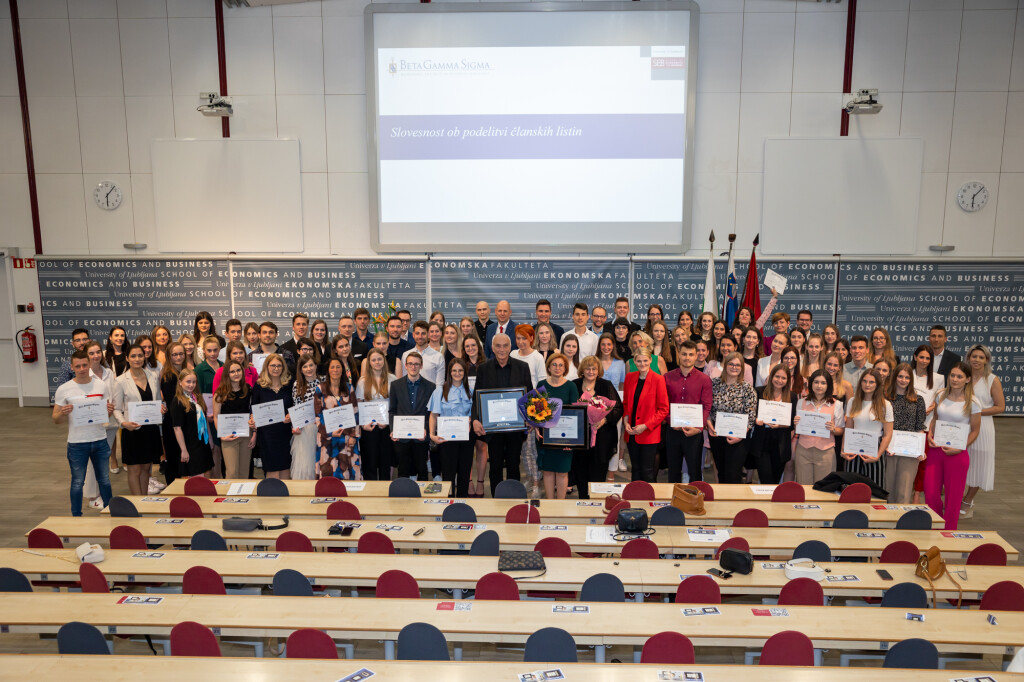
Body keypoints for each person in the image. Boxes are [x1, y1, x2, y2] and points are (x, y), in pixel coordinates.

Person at [53, 349, 114, 516]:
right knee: (77, 482)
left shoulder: (101, 385)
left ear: (89, 365)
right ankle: (76, 516)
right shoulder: (64, 389)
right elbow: (56, 419)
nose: (82, 369)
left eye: (84, 365)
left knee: (104, 480)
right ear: (72, 367)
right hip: (77, 443)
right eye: (78, 366)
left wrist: (109, 411)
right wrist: (62, 413)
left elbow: (105, 414)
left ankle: (110, 512)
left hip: (100, 439)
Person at [472, 333, 534, 496]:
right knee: (495, 467)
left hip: (515, 427)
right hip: (493, 429)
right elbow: (476, 397)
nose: (501, 349)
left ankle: (514, 498)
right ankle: (496, 499)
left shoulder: (522, 367)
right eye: (498, 346)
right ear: (492, 348)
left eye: (505, 345)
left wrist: (530, 419)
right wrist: (475, 419)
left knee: (514, 465)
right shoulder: (483, 369)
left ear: (510, 347)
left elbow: (529, 396)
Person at [925, 361, 982, 530]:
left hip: (957, 453)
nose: (955, 379)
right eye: (952, 375)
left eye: (959, 376)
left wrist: (960, 447)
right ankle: (936, 525)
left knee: (953, 497)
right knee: (930, 492)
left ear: (967, 379)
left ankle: (949, 531)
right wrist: (930, 434)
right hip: (936, 450)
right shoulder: (940, 395)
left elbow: (975, 431)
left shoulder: (973, 402)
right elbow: (936, 419)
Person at [113, 344, 164, 495]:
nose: (137, 359)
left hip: (150, 429)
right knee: (134, 469)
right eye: (133, 356)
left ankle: (144, 500)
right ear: (127, 358)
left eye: (140, 355)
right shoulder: (121, 381)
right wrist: (124, 423)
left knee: (146, 468)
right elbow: (116, 408)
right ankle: (137, 502)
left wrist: (161, 409)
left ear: (144, 357)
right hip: (132, 430)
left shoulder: (153, 376)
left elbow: (158, 401)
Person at [960, 344, 1004, 519]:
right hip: (962, 425)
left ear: (986, 360)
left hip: (983, 427)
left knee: (979, 465)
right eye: (974, 356)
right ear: (968, 358)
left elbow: (1000, 407)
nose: (977, 360)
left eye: (981, 357)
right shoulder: (963, 376)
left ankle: (968, 500)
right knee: (961, 464)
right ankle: (956, 497)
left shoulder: (992, 380)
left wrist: (977, 411)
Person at [573, 355, 623, 496]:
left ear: (598, 370)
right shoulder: (574, 384)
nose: (591, 371)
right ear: (582, 370)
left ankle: (596, 500)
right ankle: (583, 498)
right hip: (580, 438)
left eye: (594, 369)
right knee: (580, 471)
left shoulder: (606, 385)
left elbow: (618, 408)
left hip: (602, 439)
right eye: (587, 368)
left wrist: (604, 420)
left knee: (598, 472)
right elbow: (568, 408)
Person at [663, 340, 712, 484]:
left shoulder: (704, 379)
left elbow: (706, 405)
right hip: (673, 430)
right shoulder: (667, 377)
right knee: (673, 470)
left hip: (694, 432)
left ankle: (695, 497)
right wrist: (671, 421)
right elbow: (663, 404)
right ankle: (673, 497)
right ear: (678, 354)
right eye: (684, 354)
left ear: (696, 356)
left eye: (691, 354)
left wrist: (699, 428)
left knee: (695, 471)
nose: (687, 358)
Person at [707, 352, 757, 484]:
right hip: (717, 434)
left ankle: (734, 497)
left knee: (733, 474)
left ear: (742, 368)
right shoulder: (714, 384)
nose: (734, 367)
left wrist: (740, 435)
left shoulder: (747, 388)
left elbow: (751, 415)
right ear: (725, 365)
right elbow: (706, 407)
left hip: (739, 436)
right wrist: (709, 425)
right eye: (731, 364)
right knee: (721, 472)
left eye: (737, 365)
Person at [536, 353, 580, 498]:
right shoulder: (541, 385)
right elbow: (536, 411)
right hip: (546, 435)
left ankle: (560, 504)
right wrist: (536, 427)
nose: (557, 367)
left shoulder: (571, 386)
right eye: (554, 364)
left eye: (561, 365)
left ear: (565, 368)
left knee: (562, 472)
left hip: (565, 437)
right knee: (548, 471)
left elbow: (575, 414)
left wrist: (572, 441)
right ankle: (550, 503)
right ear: (548, 367)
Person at [428, 358, 474, 497]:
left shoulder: (470, 391)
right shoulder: (440, 391)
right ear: (449, 372)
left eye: (460, 370)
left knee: (465, 472)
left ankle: (462, 501)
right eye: (454, 370)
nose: (457, 373)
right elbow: (433, 415)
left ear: (464, 372)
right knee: (448, 473)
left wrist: (470, 420)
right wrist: (432, 434)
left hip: (466, 437)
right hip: (446, 439)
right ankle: (449, 502)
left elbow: (474, 414)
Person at [622, 349, 669, 483]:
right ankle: (635, 495)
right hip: (631, 432)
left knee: (647, 471)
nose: (642, 364)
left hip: (649, 433)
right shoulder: (630, 377)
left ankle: (650, 496)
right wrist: (626, 422)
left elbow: (663, 409)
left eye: (645, 360)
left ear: (650, 360)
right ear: (634, 361)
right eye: (639, 361)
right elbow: (626, 403)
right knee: (635, 469)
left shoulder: (658, 379)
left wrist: (645, 426)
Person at [884, 363, 927, 504]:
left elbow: (919, 427)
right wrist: (884, 446)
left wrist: (920, 450)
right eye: (900, 376)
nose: (903, 380)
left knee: (905, 490)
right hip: (889, 449)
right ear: (894, 377)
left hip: (910, 451)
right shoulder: (885, 398)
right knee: (888, 489)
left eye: (907, 377)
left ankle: (901, 517)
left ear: (911, 380)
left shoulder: (918, 400)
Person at [843, 369, 893, 490]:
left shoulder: (885, 405)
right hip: (853, 448)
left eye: (871, 382)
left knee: (874, 488)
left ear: (877, 384)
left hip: (874, 449)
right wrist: (843, 450)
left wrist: (878, 455)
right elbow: (848, 428)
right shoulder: (853, 401)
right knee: (851, 488)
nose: (867, 384)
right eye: (864, 381)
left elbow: (887, 434)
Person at [793, 369, 844, 485]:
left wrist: (833, 429)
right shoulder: (801, 402)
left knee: (823, 488)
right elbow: (797, 430)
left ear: (828, 385)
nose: (819, 386)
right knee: (804, 486)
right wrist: (796, 424)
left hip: (825, 452)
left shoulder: (836, 404)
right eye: (816, 382)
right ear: (811, 384)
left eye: (823, 383)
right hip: (803, 450)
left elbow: (841, 430)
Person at [390, 352, 435, 480]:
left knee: (422, 470)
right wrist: (393, 429)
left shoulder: (431, 387)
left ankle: (422, 493)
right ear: (405, 365)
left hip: (421, 435)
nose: (413, 367)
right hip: (401, 436)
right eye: (410, 364)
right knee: (403, 471)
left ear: (421, 366)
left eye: (416, 364)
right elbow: (392, 410)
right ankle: (403, 493)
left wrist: (426, 429)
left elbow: (431, 413)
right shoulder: (395, 385)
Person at [751, 364, 797, 485]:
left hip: (781, 444)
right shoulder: (759, 391)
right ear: (771, 376)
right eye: (777, 376)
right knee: (766, 479)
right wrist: (756, 420)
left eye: (783, 378)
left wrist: (780, 425)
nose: (780, 380)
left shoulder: (792, 396)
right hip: (762, 442)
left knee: (775, 481)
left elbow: (792, 423)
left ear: (788, 380)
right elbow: (751, 413)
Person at [250, 353, 294, 479]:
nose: (276, 368)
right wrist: (253, 422)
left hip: (285, 433)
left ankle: (286, 491)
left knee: (285, 466)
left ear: (283, 367)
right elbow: (253, 408)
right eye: (273, 365)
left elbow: (295, 405)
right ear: (267, 367)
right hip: (267, 435)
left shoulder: (289, 384)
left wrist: (291, 415)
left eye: (279, 366)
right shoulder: (259, 385)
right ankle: (272, 491)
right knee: (271, 468)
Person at [910, 344, 944, 504]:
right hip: (907, 426)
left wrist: (930, 408)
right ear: (915, 357)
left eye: (927, 358)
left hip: (926, 425)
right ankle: (906, 489)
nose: (924, 361)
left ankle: (917, 493)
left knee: (922, 462)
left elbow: (940, 400)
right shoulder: (907, 374)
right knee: (907, 461)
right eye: (921, 357)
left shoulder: (938, 379)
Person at [356, 348, 395, 481]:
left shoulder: (393, 379)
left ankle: (385, 490)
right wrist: (363, 425)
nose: (377, 362)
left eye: (379, 359)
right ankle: (370, 490)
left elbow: (396, 404)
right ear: (369, 362)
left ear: (384, 360)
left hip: (386, 426)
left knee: (385, 462)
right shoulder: (362, 381)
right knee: (370, 462)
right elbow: (359, 405)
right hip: (369, 427)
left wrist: (389, 423)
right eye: (373, 360)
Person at [212, 359, 255, 479]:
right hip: (228, 436)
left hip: (246, 434)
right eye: (232, 372)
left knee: (244, 472)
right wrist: (222, 436)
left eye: (238, 370)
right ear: (227, 374)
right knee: (232, 472)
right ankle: (230, 492)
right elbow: (216, 417)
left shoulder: (248, 389)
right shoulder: (220, 393)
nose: (236, 374)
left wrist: (254, 433)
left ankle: (243, 492)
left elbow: (252, 412)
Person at [318, 357, 359, 481]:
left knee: (348, 473)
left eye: (338, 367)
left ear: (342, 370)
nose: (335, 370)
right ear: (328, 370)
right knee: (329, 473)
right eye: (332, 367)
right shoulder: (320, 389)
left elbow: (355, 412)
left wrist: (354, 435)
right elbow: (317, 415)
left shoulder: (349, 388)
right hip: (328, 439)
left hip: (347, 439)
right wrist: (330, 433)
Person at [84, 340, 119, 480]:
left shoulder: (109, 372)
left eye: (98, 352)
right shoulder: (84, 374)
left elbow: (114, 394)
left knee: (104, 456)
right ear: (86, 355)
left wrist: (112, 407)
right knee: (93, 460)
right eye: (91, 353)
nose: (96, 356)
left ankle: (101, 485)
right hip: (93, 423)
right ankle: (92, 488)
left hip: (110, 422)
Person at [171, 368, 213, 478]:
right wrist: (184, 450)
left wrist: (210, 440)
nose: (191, 385)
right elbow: (177, 428)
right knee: (196, 477)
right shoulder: (178, 401)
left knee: (204, 474)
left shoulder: (197, 398)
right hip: (190, 445)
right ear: (180, 382)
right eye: (188, 382)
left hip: (202, 442)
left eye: (194, 382)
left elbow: (204, 420)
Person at [289, 355, 321, 480]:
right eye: (305, 366)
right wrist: (295, 426)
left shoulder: (323, 382)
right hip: (305, 430)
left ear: (316, 366)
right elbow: (296, 406)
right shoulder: (297, 384)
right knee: (305, 464)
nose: (309, 369)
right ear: (301, 370)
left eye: (311, 365)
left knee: (320, 461)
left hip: (322, 428)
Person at [159, 342, 187, 484]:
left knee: (182, 459)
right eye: (174, 354)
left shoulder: (184, 371)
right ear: (169, 356)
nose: (178, 357)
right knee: (173, 459)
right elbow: (173, 401)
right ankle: (172, 488)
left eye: (181, 354)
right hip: (173, 422)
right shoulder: (168, 376)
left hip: (183, 421)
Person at [194, 335, 223, 477]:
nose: (212, 354)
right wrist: (205, 415)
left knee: (220, 450)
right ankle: (211, 482)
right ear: (204, 351)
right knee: (211, 449)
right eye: (209, 350)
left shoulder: (224, 367)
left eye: (215, 350)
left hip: (222, 414)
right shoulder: (199, 370)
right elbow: (197, 394)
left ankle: (219, 480)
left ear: (219, 350)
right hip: (207, 416)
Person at [402, 321, 445, 388]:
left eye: (423, 333)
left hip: (431, 394)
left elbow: (439, 386)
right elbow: (404, 381)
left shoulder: (438, 357)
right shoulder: (406, 355)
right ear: (413, 335)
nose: (420, 336)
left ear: (428, 335)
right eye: (417, 333)